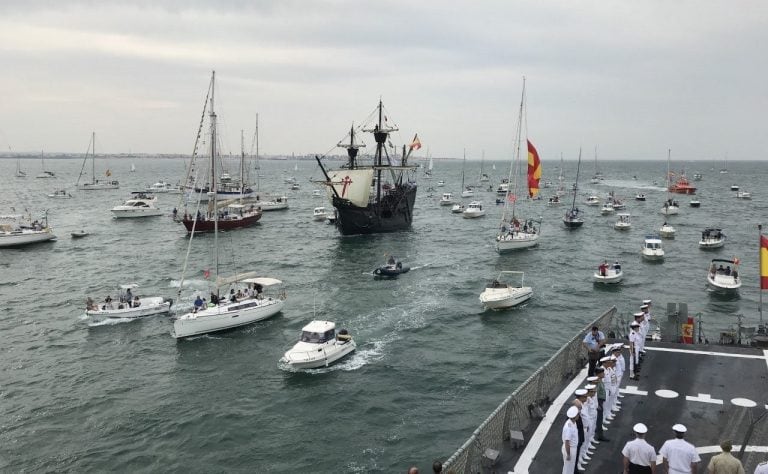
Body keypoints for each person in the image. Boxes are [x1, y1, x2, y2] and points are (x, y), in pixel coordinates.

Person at [562, 406, 580, 474]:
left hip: (572, 448)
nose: (579, 415)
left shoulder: (573, 422)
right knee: (567, 469)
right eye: (578, 414)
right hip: (569, 449)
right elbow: (567, 442)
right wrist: (568, 454)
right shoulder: (569, 427)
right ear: (575, 416)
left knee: (571, 468)